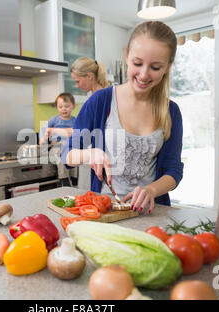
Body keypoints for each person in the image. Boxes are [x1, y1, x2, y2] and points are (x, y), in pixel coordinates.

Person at [61, 21, 184, 214]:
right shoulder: (100, 102)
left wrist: (151, 190)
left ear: (167, 67)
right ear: (126, 57)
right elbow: (67, 154)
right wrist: (89, 154)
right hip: (106, 212)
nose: (143, 74)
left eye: (155, 67)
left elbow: (173, 171)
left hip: (152, 214)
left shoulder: (171, 112)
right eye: (137, 63)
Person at [39, 92, 77, 186]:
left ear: (73, 106)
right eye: (60, 107)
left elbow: (76, 133)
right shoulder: (54, 120)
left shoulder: (75, 120)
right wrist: (42, 139)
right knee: (61, 155)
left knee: (76, 156)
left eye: (67, 106)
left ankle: (74, 177)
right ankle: (64, 179)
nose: (63, 109)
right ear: (57, 107)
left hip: (70, 144)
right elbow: (44, 131)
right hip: (57, 144)